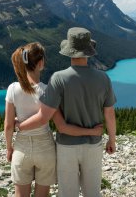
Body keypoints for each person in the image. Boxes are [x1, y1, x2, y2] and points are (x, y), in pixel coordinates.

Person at [16, 27, 117, 197]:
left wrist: (19, 125)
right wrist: (112, 139)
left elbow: (44, 116)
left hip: (66, 147)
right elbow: (109, 114)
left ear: (69, 51)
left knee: (67, 193)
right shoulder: (103, 78)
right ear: (88, 52)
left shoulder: (58, 78)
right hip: (94, 144)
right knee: (92, 192)